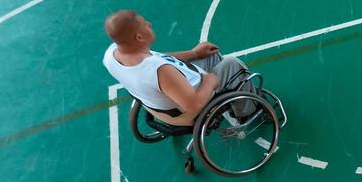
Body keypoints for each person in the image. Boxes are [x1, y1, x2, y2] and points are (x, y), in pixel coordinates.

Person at [101, 9, 254, 123]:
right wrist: (209, 82)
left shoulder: (112, 54)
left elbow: (159, 58)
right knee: (233, 65)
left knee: (212, 55)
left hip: (163, 100)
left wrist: (193, 53)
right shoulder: (159, 71)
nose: (149, 24)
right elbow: (193, 105)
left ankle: (231, 94)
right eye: (144, 24)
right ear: (139, 37)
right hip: (191, 104)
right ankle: (247, 113)